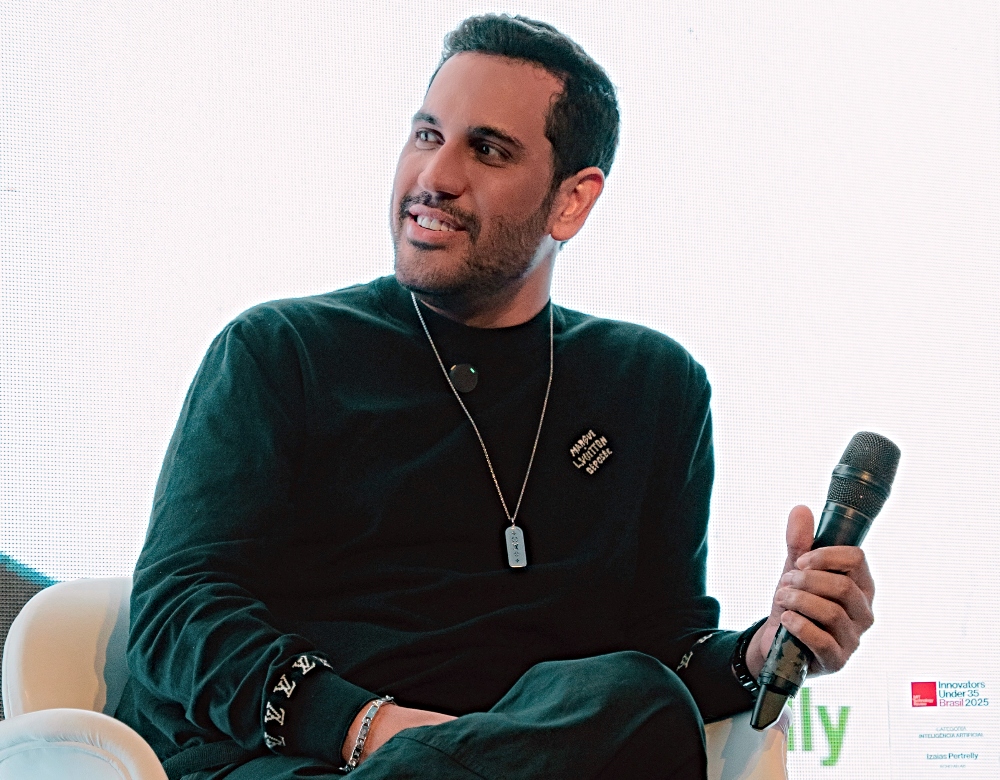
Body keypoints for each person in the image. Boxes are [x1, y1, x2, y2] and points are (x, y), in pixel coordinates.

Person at [116, 14, 875, 780]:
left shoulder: (653, 387)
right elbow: (179, 612)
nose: (435, 176)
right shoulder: (281, 352)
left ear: (571, 202)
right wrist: (366, 728)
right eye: (426, 135)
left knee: (637, 697)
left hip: (543, 755)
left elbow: (664, 647)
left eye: (487, 150)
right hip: (298, 764)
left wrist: (762, 650)